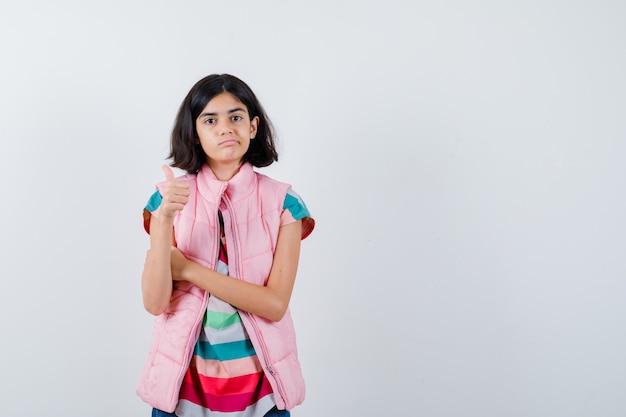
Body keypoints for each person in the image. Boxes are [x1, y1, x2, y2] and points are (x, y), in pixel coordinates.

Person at [136, 74, 315, 417]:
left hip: (262, 397)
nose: (225, 128)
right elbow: (156, 303)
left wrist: (188, 270)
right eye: (210, 119)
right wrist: (162, 221)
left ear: (253, 126)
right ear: (195, 131)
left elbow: (274, 304)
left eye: (236, 117)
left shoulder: (284, 203)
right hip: (181, 396)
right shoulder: (166, 199)